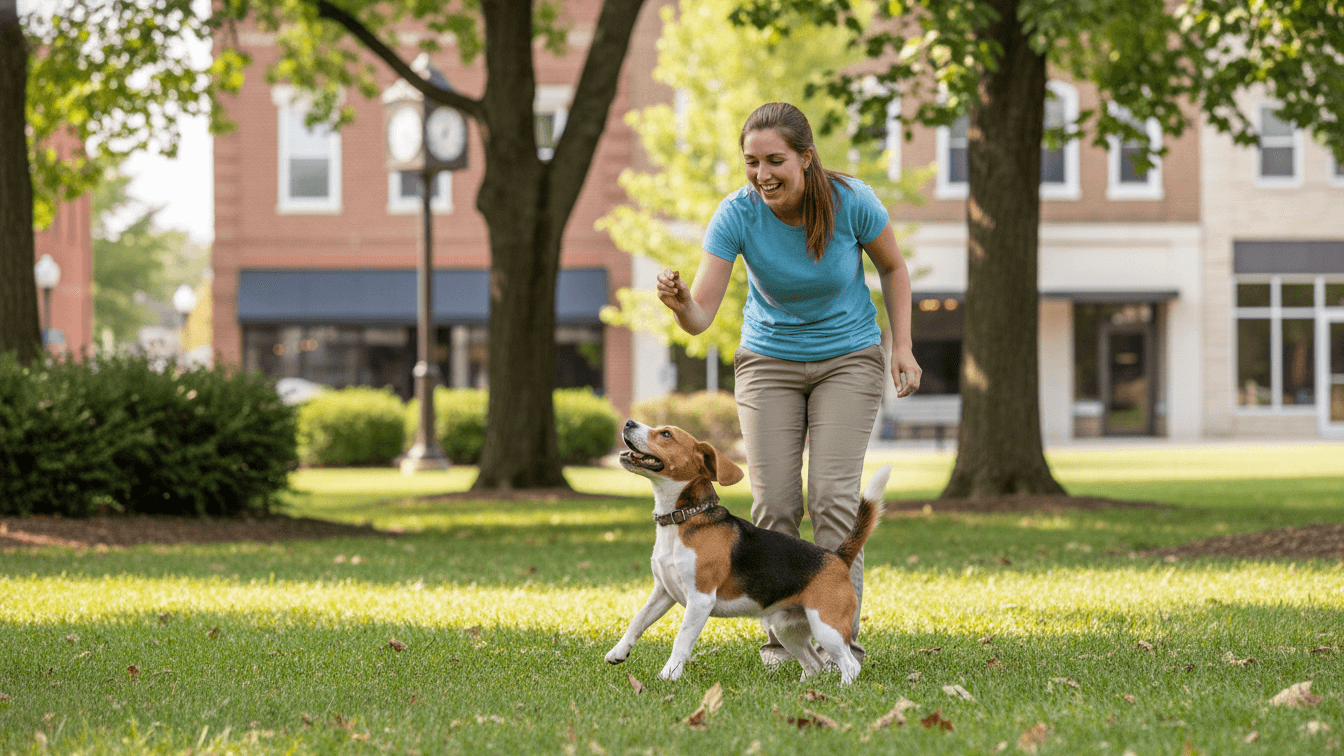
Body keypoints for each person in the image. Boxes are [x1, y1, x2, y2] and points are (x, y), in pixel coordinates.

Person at [655, 101, 921, 666]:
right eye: (751, 162)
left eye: (774, 160)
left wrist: (903, 346)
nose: (762, 174)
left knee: (832, 499)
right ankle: (783, 637)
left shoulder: (852, 202)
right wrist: (681, 307)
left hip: (848, 357)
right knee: (773, 502)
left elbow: (893, 268)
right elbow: (702, 313)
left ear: (805, 158)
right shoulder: (737, 214)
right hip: (768, 361)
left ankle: (838, 637)